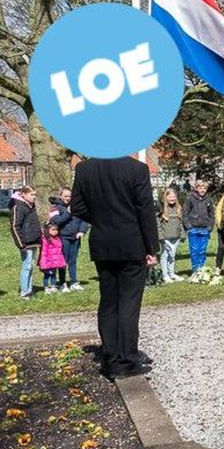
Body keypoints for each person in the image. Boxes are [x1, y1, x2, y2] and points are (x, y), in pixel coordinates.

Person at [70, 157, 158, 380]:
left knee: (109, 301)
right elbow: (145, 209)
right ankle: (126, 359)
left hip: (103, 241)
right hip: (131, 241)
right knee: (129, 302)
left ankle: (111, 355)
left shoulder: (84, 168)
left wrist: (101, 219)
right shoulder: (136, 169)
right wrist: (152, 247)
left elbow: (77, 207)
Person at [50, 187, 89, 291]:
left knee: (73, 261)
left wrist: (82, 231)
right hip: (63, 237)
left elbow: (84, 219)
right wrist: (68, 212)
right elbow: (55, 222)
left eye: (70, 196)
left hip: (75, 238)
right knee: (63, 261)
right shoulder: (55, 207)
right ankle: (62, 283)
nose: (68, 198)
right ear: (60, 196)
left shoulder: (76, 206)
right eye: (65, 196)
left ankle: (74, 282)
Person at [10, 186, 42, 299]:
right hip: (25, 243)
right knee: (26, 266)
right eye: (31, 194)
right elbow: (15, 227)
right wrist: (20, 244)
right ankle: (24, 292)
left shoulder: (31, 206)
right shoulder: (18, 207)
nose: (34, 197)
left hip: (34, 241)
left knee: (31, 266)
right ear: (23, 194)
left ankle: (29, 289)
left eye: (35, 195)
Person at [182, 180, 215, 272]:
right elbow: (184, 213)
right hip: (193, 228)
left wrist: (210, 227)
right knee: (194, 250)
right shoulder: (190, 199)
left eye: (204, 188)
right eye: (200, 188)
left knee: (202, 251)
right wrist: (188, 227)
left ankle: (201, 269)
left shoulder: (209, 200)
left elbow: (212, 215)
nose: (202, 190)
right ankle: (195, 270)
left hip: (205, 229)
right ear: (196, 188)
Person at [158, 188, 185, 282]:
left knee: (172, 256)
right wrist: (161, 237)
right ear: (166, 197)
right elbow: (158, 225)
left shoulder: (178, 208)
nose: (172, 199)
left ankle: (172, 273)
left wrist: (182, 234)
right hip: (165, 238)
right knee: (164, 255)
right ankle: (165, 275)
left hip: (176, 237)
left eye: (173, 196)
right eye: (169, 197)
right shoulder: (161, 209)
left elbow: (180, 223)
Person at [39, 222, 67, 294]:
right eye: (53, 230)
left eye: (56, 230)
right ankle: (46, 287)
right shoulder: (45, 240)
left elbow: (60, 253)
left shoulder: (58, 239)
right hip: (48, 262)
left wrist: (62, 262)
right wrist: (43, 263)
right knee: (47, 275)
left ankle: (53, 286)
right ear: (47, 230)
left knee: (53, 275)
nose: (55, 231)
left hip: (55, 262)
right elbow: (44, 253)